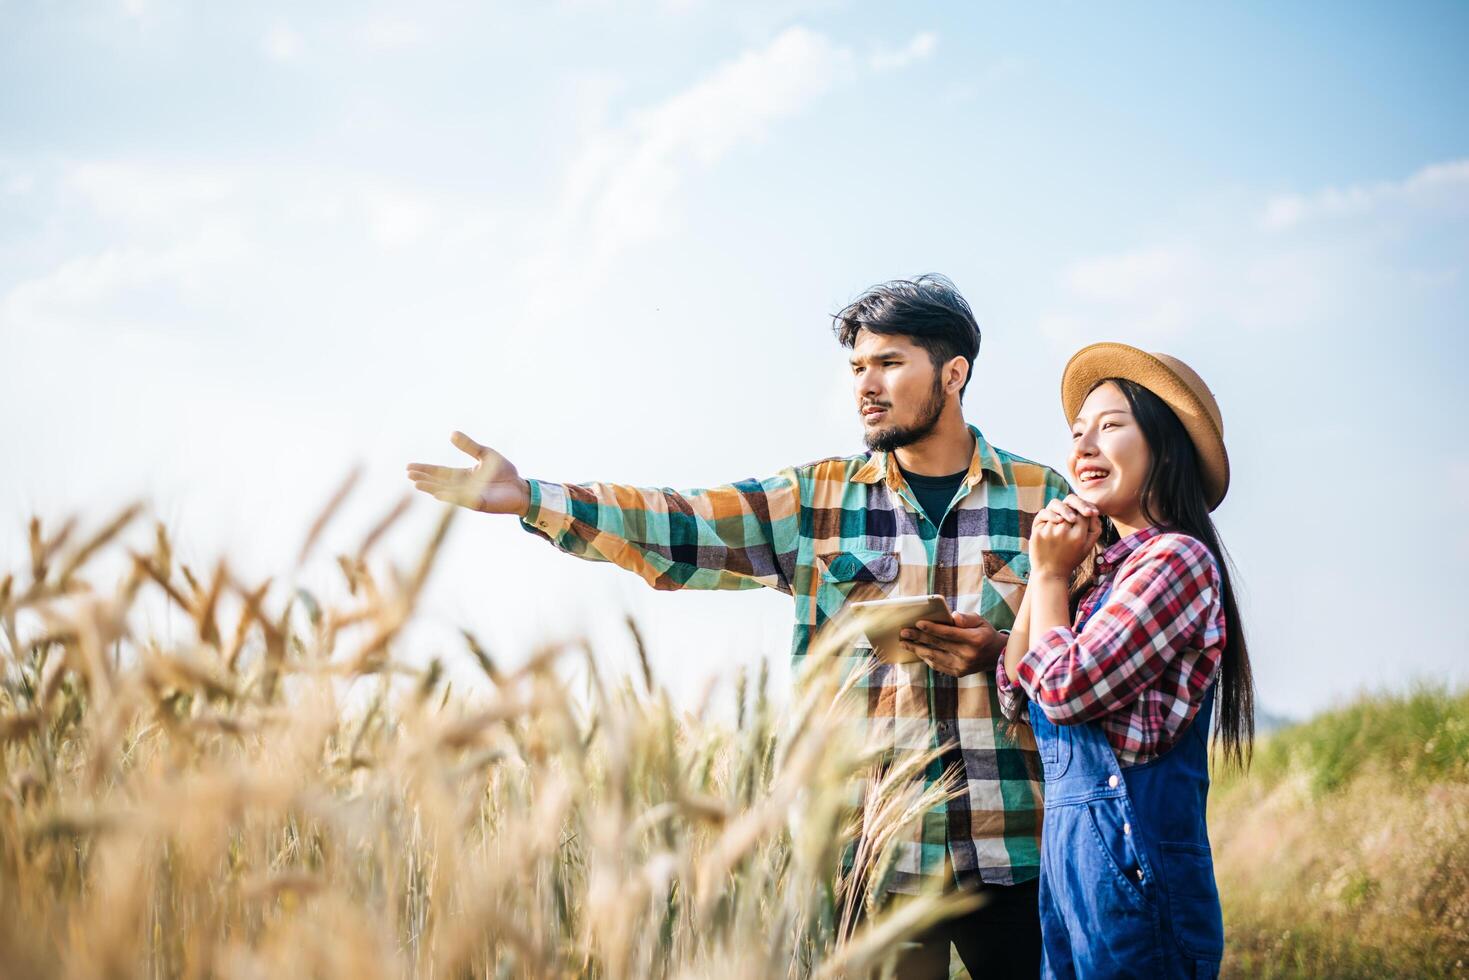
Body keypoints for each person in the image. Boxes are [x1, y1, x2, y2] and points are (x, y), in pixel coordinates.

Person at [406, 275, 1069, 977]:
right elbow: (678, 519)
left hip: (1016, 848)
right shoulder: (813, 497)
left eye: (888, 363)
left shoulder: (1043, 497)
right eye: (855, 368)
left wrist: (1000, 652)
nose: (864, 386)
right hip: (870, 852)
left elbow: (1084, 656)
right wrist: (531, 498)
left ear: (953, 372)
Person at [995, 343, 1255, 979]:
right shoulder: (1096, 578)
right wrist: (1044, 570)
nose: (1083, 446)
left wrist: (1052, 575)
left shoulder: (1176, 562)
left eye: (1110, 426)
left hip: (1138, 880)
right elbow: (1011, 687)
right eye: (1077, 432)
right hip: (1070, 882)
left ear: (1165, 447)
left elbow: (1060, 688)